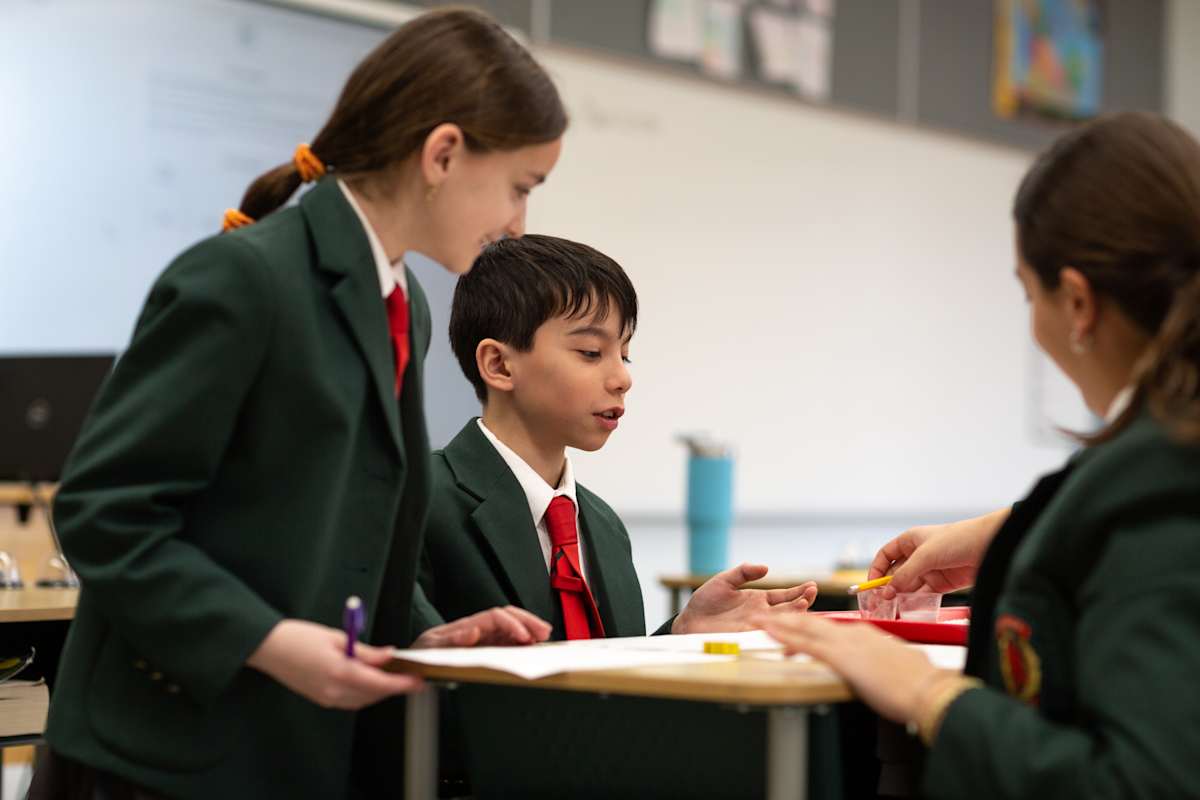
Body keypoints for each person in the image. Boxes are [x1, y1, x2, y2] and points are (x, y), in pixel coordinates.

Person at [31, 8, 565, 799]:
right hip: (160, 760)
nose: (518, 224)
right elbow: (104, 516)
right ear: (443, 153)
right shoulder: (244, 279)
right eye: (520, 187)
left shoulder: (404, 303)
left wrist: (422, 632)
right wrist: (273, 642)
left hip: (288, 752)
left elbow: (347, 532)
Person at [761, 111, 1200, 799]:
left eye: (1031, 293)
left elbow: (1144, 781)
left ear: (1078, 301)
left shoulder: (1161, 485)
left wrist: (928, 693)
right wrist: (1004, 536)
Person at [417, 234, 818, 641]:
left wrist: (680, 633)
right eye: (591, 352)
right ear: (499, 364)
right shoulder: (419, 499)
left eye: (624, 354)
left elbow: (603, 687)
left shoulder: (603, 524)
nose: (623, 378)